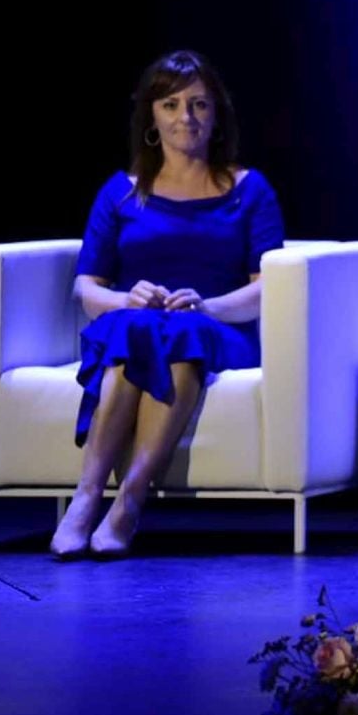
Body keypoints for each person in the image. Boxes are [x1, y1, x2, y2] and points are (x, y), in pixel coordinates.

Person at [51, 51, 286, 558]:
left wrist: (210, 307)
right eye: (173, 104)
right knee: (134, 326)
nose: (187, 117)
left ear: (216, 114)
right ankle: (87, 495)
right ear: (152, 116)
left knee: (183, 332)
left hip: (219, 330)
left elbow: (270, 285)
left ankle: (130, 499)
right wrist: (122, 297)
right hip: (139, 325)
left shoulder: (250, 190)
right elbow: (84, 287)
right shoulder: (122, 192)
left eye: (200, 105)